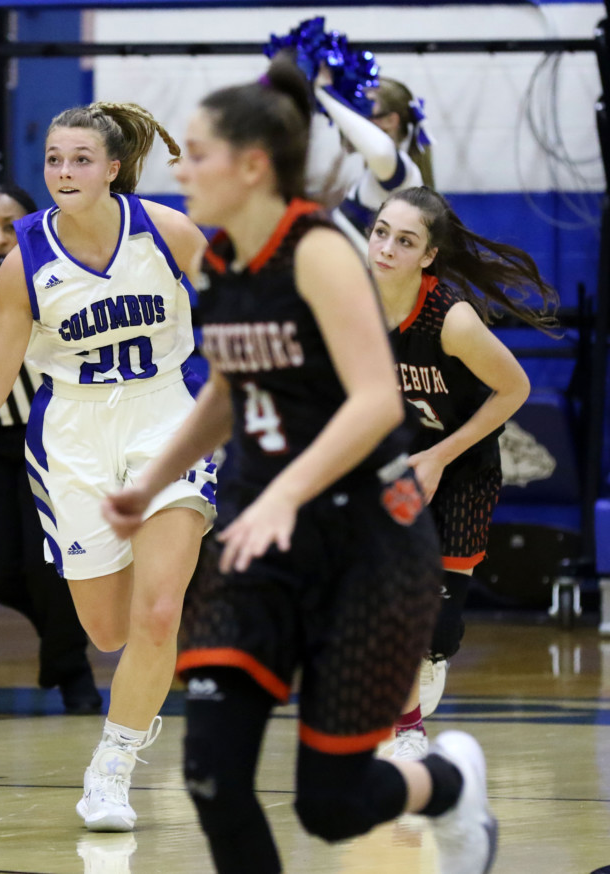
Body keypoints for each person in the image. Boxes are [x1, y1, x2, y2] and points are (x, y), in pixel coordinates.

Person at [102, 56, 497, 874]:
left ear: (252, 166)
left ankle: (451, 781)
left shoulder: (317, 250)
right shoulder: (216, 262)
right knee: (212, 777)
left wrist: (285, 492)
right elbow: (228, 389)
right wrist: (151, 480)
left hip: (365, 550)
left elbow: (375, 404)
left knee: (330, 805)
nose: (181, 165)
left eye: (200, 151)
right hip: (261, 543)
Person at [0, 101, 217, 832]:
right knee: (107, 631)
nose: (64, 173)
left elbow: (242, 300)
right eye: (54, 161)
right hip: (71, 435)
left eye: (79, 160)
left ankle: (113, 766)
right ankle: (135, 694)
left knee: (159, 612)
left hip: (166, 418)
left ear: (112, 168)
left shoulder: (166, 230)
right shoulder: (22, 263)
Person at [369, 185, 558, 759]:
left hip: (462, 470)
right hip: (395, 470)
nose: (386, 248)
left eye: (405, 241)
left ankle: (425, 663)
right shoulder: (347, 304)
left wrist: (440, 455)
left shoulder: (451, 321)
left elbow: (516, 388)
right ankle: (406, 733)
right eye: (380, 232)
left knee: (437, 633)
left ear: (427, 255)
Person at [0, 181, 100, 715]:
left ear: (31, 227)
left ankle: (70, 666)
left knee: (48, 564)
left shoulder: (61, 277)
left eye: (10, 227)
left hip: (54, 434)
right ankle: (60, 633)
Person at [313, 66, 433, 251]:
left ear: (391, 121)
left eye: (364, 107)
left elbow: (380, 152)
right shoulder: (375, 170)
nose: (355, 115)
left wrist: (323, 92)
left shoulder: (398, 168)